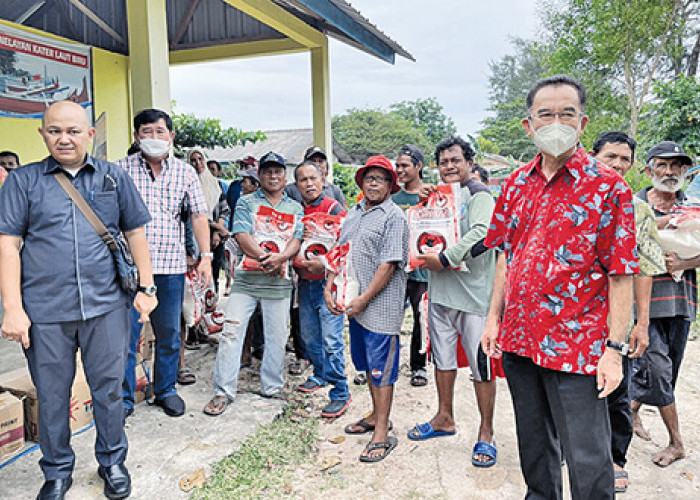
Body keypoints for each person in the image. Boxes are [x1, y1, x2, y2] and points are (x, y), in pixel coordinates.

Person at [481, 75, 638, 499]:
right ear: (528, 125)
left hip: (578, 347)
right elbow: (505, 256)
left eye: (566, 114)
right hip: (519, 340)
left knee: (587, 461)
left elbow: (621, 274)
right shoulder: (514, 184)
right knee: (535, 451)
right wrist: (493, 317)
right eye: (545, 114)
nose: (556, 122)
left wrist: (614, 350)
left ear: (582, 123)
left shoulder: (608, 187)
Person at [0, 101, 157, 500]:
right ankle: (56, 472)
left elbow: (136, 232)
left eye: (72, 130)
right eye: (55, 131)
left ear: (90, 134)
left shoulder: (113, 176)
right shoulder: (23, 182)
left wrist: (147, 287)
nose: (64, 139)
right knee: (52, 394)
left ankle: (113, 462)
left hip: (105, 306)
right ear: (42, 135)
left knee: (107, 388)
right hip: (45, 311)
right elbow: (8, 244)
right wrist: (13, 308)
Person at [407, 137, 499, 467]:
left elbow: (485, 235)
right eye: (443, 161)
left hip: (475, 298)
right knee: (442, 360)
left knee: (481, 366)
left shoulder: (479, 194)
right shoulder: (438, 196)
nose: (449, 166)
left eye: (455, 160)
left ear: (469, 163)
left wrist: (445, 258)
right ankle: (444, 417)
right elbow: (420, 230)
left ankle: (486, 433)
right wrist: (421, 204)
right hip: (441, 296)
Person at [118, 108, 211, 419]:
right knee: (127, 337)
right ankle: (124, 399)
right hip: (129, 269)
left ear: (171, 137)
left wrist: (206, 256)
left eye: (160, 132)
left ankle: (166, 390)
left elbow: (198, 216)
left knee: (169, 333)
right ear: (136, 136)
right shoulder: (119, 170)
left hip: (170, 266)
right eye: (147, 132)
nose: (154, 138)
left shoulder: (185, 172)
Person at [590, 131, 666, 493]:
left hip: (617, 320)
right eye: (610, 157)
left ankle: (616, 458)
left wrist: (643, 324)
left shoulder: (639, 211)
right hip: (574, 318)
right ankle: (567, 450)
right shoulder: (578, 201)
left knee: (618, 391)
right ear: (593, 158)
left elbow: (645, 270)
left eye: (625, 158)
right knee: (570, 387)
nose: (618, 164)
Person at [203, 151, 303, 416]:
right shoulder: (247, 202)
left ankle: (272, 387)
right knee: (231, 334)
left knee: (277, 337)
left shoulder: (295, 207)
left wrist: (280, 258)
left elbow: (296, 240)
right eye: (267, 171)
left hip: (279, 283)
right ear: (259, 175)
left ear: (285, 176)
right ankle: (222, 391)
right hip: (246, 281)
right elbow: (242, 234)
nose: (273, 176)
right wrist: (263, 258)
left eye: (278, 171)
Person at [329, 155, 408, 463]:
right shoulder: (354, 213)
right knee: (366, 365)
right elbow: (340, 253)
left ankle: (382, 434)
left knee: (382, 370)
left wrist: (364, 299)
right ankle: (376, 415)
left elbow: (388, 265)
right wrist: (330, 286)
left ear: (390, 186)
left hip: (380, 308)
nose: (374, 183)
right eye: (370, 178)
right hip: (354, 304)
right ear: (361, 182)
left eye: (382, 179)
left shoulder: (394, 217)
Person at [631, 141, 697, 468]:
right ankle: (677, 443)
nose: (670, 172)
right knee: (658, 370)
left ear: (685, 171)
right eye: (662, 165)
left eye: (677, 166)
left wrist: (685, 263)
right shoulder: (634, 205)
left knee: (666, 372)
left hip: (682, 302)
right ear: (648, 170)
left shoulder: (693, 206)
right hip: (643, 304)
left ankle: (631, 412)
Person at [293, 160, 350, 418]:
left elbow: (346, 247)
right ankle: (320, 374)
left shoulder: (335, 209)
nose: (309, 184)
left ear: (323, 180)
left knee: (331, 339)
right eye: (303, 180)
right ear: (297, 185)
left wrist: (325, 267)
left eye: (313, 178)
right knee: (310, 336)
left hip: (330, 285)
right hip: (305, 284)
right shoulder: (296, 211)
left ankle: (340, 392)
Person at [391, 145, 429, 387]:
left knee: (420, 318)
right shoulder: (393, 199)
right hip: (396, 270)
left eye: (405, 165)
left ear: (418, 166)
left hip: (423, 270)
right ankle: (385, 364)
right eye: (398, 166)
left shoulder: (430, 195)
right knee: (390, 318)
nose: (400, 170)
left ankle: (419, 366)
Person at [189, 150, 230, 294]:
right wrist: (219, 228)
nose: (198, 163)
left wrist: (218, 232)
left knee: (215, 270)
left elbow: (224, 208)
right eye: (193, 160)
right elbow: (195, 214)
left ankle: (213, 306)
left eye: (200, 159)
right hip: (196, 235)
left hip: (215, 236)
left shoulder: (214, 183)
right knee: (197, 272)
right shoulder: (189, 184)